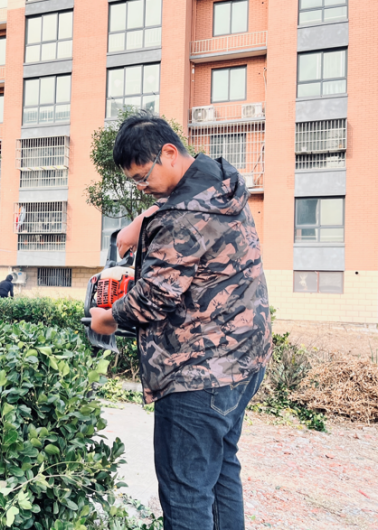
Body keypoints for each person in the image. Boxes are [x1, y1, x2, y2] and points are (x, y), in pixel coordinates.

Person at [89, 111, 272, 530]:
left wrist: (109, 319)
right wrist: (143, 219)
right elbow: (185, 200)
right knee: (221, 470)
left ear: (169, 153)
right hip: (245, 359)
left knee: (186, 492)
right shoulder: (222, 181)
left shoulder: (180, 219)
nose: (141, 188)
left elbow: (154, 298)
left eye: (142, 177)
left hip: (198, 375)